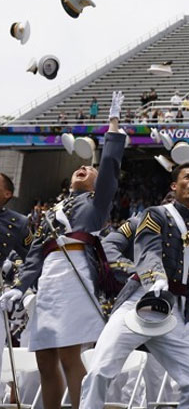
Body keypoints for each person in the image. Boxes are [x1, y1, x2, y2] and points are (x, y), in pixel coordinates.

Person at [3, 91, 124, 409]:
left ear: (99, 185)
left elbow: (110, 164)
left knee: (71, 355)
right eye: (78, 168)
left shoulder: (96, 203)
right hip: (50, 282)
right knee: (45, 359)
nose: (82, 169)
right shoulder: (52, 208)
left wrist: (112, 127)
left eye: (89, 170)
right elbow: (34, 255)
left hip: (76, 277)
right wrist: (20, 287)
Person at [82, 162, 189, 409]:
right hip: (139, 299)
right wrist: (150, 277)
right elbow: (146, 249)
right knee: (99, 371)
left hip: (172, 311)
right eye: (187, 177)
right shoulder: (154, 214)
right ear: (174, 186)